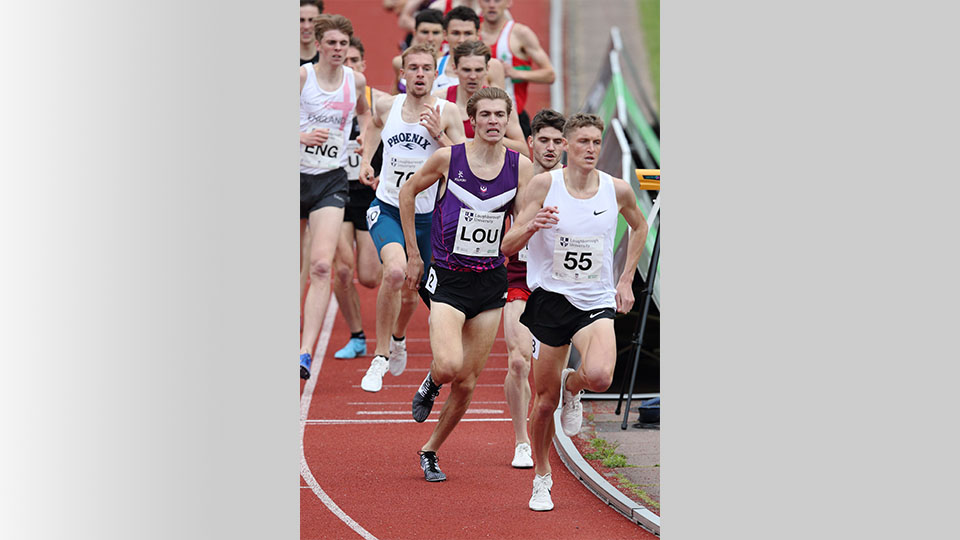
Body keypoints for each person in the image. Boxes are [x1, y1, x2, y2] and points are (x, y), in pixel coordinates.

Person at [501, 112, 649, 510]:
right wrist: (534, 226)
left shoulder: (616, 190)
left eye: (596, 143)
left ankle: (575, 385)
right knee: (544, 402)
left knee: (600, 376)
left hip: (595, 299)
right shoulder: (543, 186)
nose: (591, 149)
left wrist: (624, 280)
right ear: (566, 145)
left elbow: (640, 226)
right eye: (583, 142)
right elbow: (507, 245)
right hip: (550, 299)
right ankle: (542, 476)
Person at [401, 87, 534, 482]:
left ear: (508, 120)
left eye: (500, 115)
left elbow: (524, 220)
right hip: (448, 278)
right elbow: (407, 193)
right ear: (471, 121)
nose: (493, 121)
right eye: (486, 115)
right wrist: (413, 252)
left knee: (468, 382)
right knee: (449, 365)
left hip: (490, 282)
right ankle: (430, 381)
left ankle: (430, 450)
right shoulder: (448, 158)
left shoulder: (520, 167)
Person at [357, 43, 466, 392]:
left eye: (426, 68)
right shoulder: (388, 105)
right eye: (413, 68)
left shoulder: (447, 111)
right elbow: (373, 125)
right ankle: (380, 357)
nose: (420, 74)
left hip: (428, 220)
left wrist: (438, 133)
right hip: (387, 207)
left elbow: (465, 162)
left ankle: (400, 336)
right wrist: (365, 161)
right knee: (394, 272)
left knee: (420, 296)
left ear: (436, 74)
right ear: (403, 74)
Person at [299, 14, 369, 380]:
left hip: (330, 180)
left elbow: (367, 117)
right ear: (319, 44)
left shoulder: (355, 81)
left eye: (344, 44)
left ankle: (305, 352)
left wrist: (366, 148)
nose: (339, 50)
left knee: (322, 265)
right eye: (332, 43)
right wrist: (299, 137)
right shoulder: (302, 77)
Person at [501, 108, 565, 469]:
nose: (551, 148)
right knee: (517, 361)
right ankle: (522, 440)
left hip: (560, 283)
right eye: (544, 140)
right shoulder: (516, 179)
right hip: (519, 279)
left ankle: (570, 392)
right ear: (530, 142)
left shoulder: (574, 183)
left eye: (558, 142)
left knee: (553, 373)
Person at [331, 36, 384, 359]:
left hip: (368, 193)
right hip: (334, 190)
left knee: (368, 276)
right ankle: (357, 336)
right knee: (339, 268)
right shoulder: (322, 101)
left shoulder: (380, 102)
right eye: (344, 60)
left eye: (354, 61)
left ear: (363, 66)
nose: (347, 66)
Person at [433, 40, 527, 157]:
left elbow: (524, 151)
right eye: (466, 70)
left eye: (478, 70)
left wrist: (490, 136)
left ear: (487, 69)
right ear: (455, 68)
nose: (473, 76)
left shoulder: (502, 101)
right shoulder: (440, 100)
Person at [479, 0, 555, 137]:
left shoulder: (520, 34)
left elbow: (549, 74)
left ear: (508, 2)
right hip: (479, 118)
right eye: (486, 0)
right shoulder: (470, 33)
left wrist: (516, 73)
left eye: (497, 1)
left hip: (514, 117)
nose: (491, 5)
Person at [432, 6, 505, 93]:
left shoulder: (493, 66)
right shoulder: (434, 67)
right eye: (456, 33)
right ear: (445, 35)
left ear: (478, 34)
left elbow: (503, 104)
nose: (461, 40)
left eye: (468, 33)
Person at [391, 9, 445, 94]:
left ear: (444, 35)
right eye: (424, 32)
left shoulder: (453, 64)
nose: (430, 38)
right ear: (415, 33)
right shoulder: (400, 62)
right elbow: (394, 97)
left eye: (435, 33)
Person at [299, 0, 324, 65]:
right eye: (301, 20)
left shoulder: (329, 58)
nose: (306, 26)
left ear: (320, 22)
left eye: (312, 20)